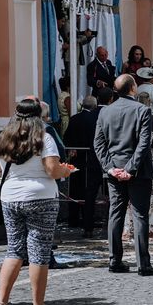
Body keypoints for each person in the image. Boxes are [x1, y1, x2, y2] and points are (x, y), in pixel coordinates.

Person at [0, 99, 72, 305]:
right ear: (39, 116)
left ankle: (1, 301)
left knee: (14, 249)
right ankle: (37, 304)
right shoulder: (44, 138)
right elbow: (52, 170)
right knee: (39, 250)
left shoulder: (4, 137)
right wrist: (65, 170)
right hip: (41, 196)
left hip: (10, 196)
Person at [93, 74, 153, 276]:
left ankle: (114, 260)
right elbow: (143, 143)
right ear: (132, 88)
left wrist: (110, 167)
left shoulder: (105, 112)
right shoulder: (142, 110)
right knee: (139, 216)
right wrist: (130, 168)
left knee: (116, 214)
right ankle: (143, 264)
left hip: (115, 170)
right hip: (137, 170)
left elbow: (99, 144)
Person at [63, 95, 104, 238]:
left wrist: (72, 149)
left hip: (77, 160)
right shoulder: (96, 119)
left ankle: (73, 218)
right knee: (90, 192)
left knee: (75, 189)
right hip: (93, 160)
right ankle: (88, 222)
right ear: (94, 106)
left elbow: (67, 137)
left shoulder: (74, 119)